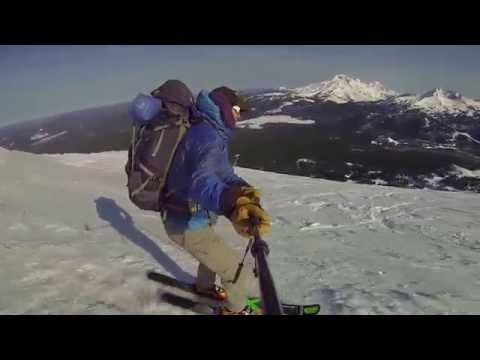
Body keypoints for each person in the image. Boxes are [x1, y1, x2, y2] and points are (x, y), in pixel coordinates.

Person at [159, 84, 271, 315]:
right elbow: (202, 183)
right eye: (238, 109)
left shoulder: (210, 130)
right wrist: (233, 205)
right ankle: (234, 310)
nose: (240, 116)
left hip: (192, 215)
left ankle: (205, 289)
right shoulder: (208, 136)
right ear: (225, 107)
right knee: (237, 272)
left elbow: (223, 173)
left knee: (212, 250)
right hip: (186, 221)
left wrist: (245, 192)